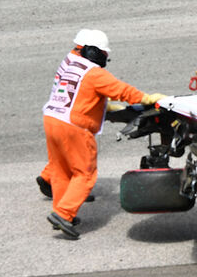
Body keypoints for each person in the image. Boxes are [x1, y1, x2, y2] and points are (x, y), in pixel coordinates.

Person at [41, 29, 165, 239]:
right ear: (91, 52)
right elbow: (121, 90)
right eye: (103, 55)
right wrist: (147, 98)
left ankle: (63, 211)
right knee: (85, 173)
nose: (105, 59)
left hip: (52, 118)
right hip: (74, 126)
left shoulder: (69, 61)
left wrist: (99, 107)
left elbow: (78, 91)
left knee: (61, 170)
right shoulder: (94, 73)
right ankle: (63, 214)